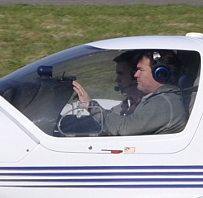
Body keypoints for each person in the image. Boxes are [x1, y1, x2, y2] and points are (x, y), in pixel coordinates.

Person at [62, 50, 190, 136]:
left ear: (160, 73)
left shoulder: (163, 102)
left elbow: (124, 128)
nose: (136, 75)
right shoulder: (157, 99)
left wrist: (90, 105)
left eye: (140, 70)